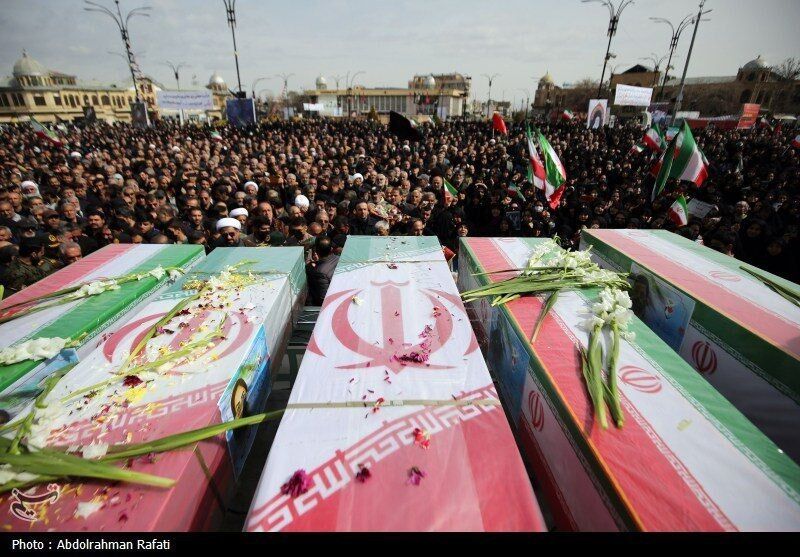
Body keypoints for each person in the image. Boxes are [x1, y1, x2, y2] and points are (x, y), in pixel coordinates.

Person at [306, 236, 339, 306]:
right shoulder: (339, 259)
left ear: (316, 251)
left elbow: (323, 299)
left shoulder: (320, 272)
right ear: (331, 249)